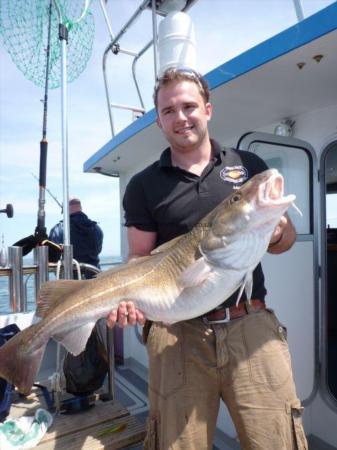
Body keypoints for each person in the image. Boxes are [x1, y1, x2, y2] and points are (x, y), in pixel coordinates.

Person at [107, 68, 308, 449]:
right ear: (159, 120)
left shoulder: (249, 166)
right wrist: (128, 300)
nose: (180, 118)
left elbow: (285, 242)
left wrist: (279, 231)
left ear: (208, 110)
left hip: (250, 323)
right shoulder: (143, 185)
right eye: (169, 111)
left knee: (276, 441)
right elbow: (139, 257)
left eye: (189, 106)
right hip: (177, 334)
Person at [49, 197, 103, 278]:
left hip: (71, 281)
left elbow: (52, 258)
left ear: (65, 210)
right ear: (80, 208)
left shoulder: (58, 229)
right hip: (94, 276)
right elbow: (98, 250)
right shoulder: (96, 228)